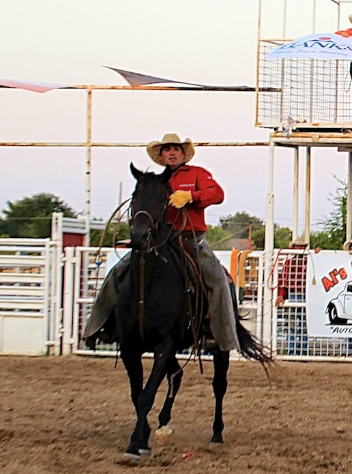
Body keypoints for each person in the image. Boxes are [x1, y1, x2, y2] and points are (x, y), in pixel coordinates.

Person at [83, 133, 240, 350]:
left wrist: (190, 196)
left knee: (217, 279)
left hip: (191, 240)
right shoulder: (154, 181)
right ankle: (100, 327)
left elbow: (217, 194)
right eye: (167, 149)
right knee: (118, 272)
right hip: (158, 241)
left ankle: (220, 335)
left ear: (183, 153)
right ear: (161, 155)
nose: (172, 153)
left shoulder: (197, 174)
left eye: (176, 149)